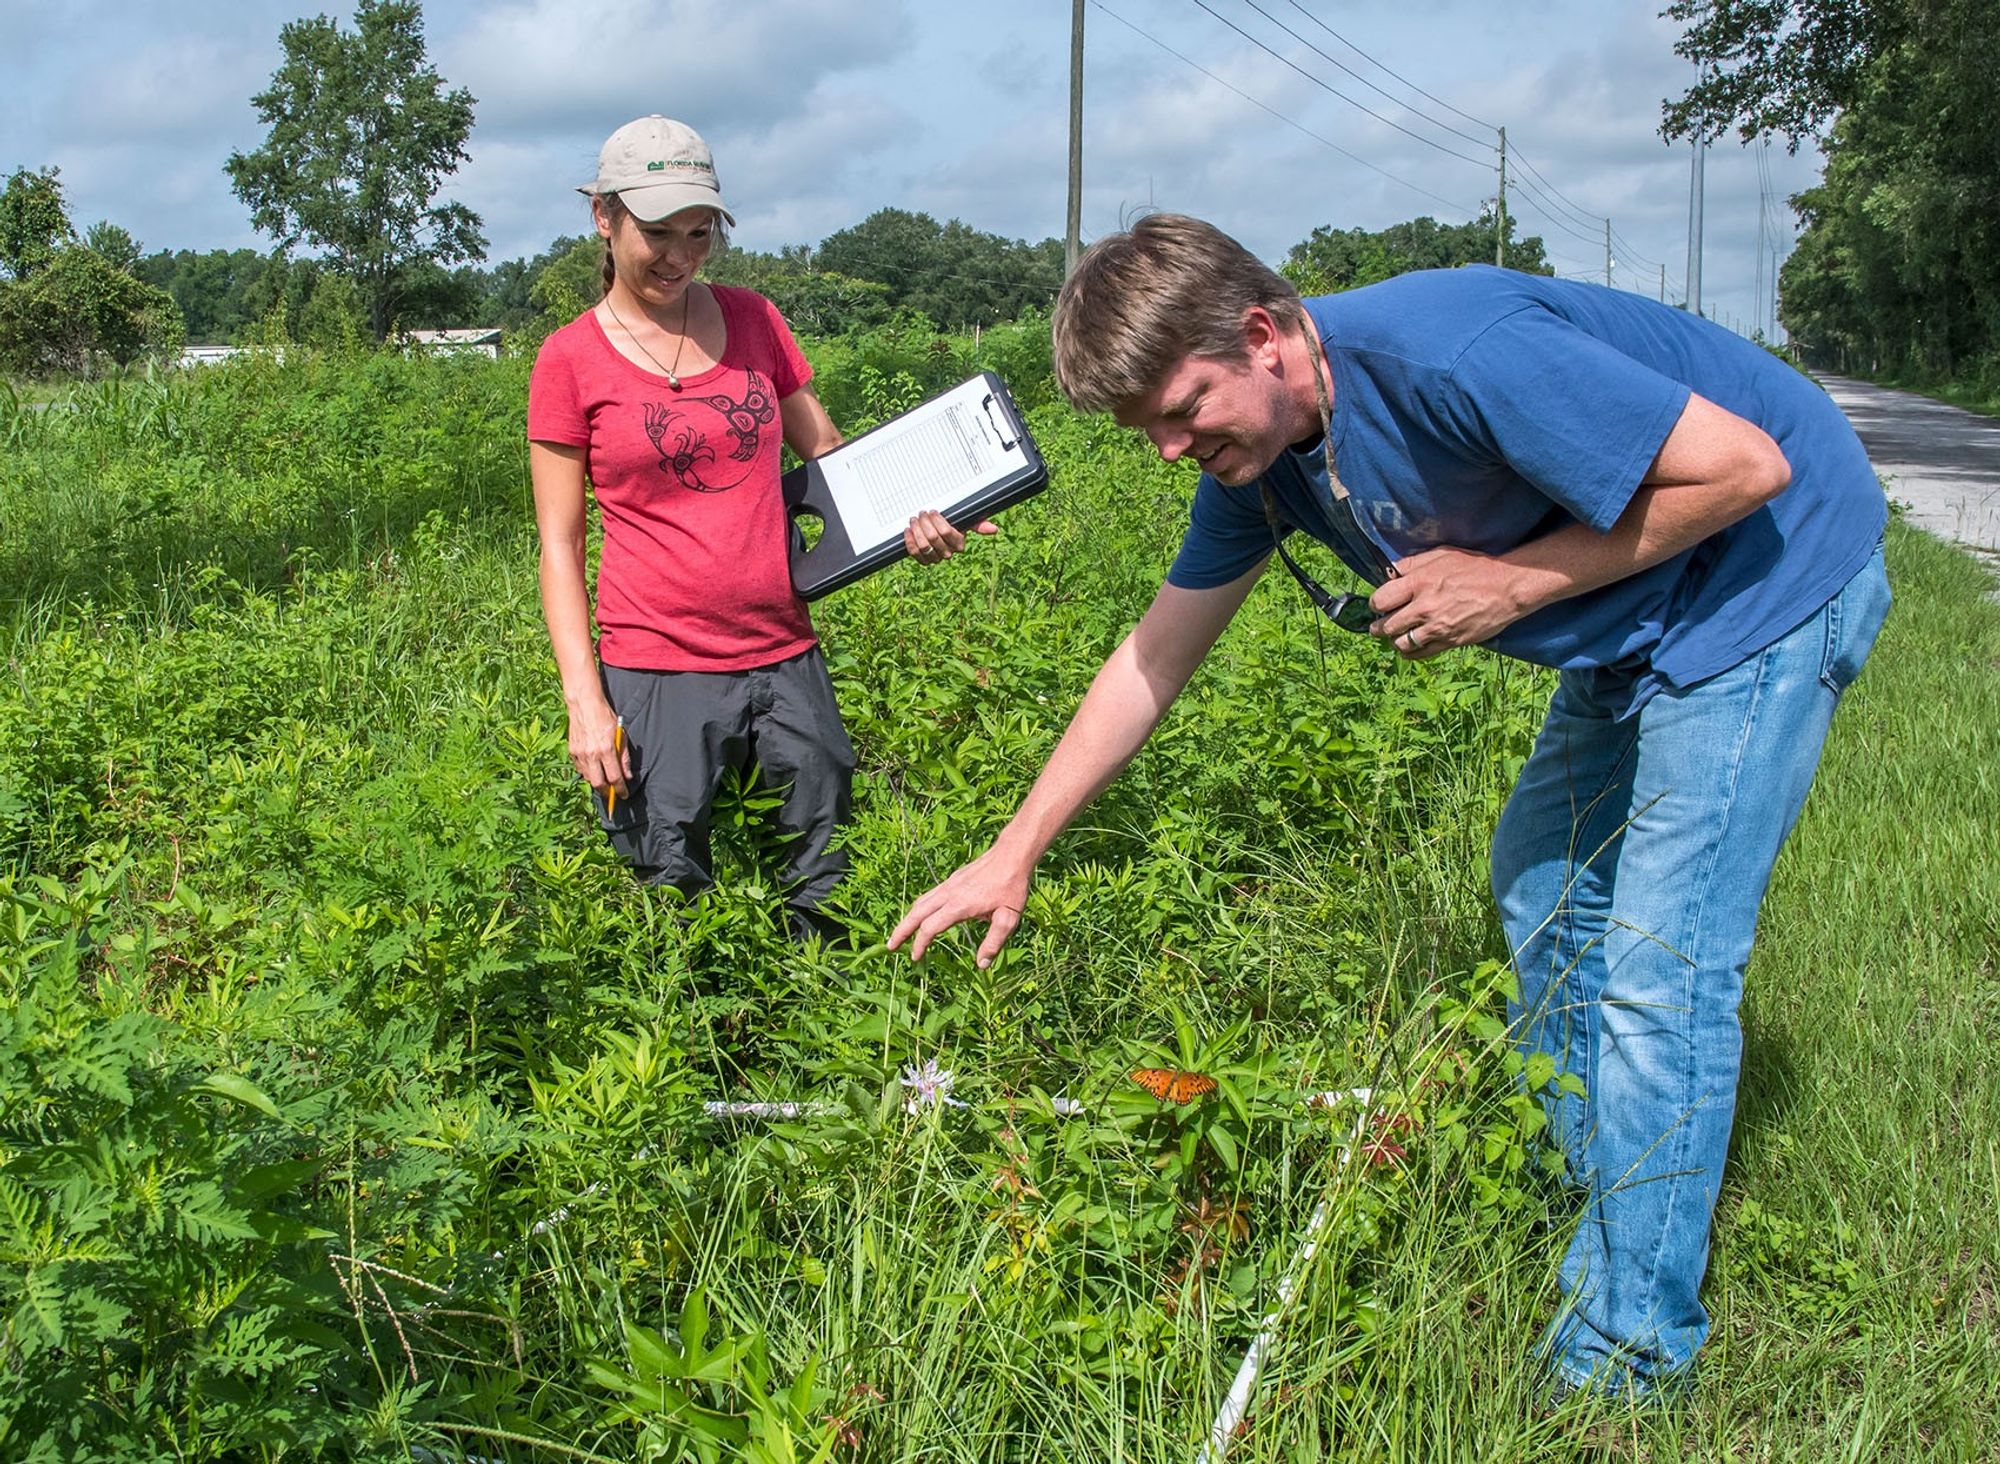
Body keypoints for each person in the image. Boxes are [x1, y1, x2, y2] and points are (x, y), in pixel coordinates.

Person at [889, 213, 1889, 1398]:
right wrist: (1014, 851)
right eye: (1145, 428)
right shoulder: (1264, 463)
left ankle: (1624, 1353)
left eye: (1181, 407)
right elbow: (1151, 658)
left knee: (1657, 965)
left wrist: (1507, 583)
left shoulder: (1452, 354)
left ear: (1261, 336)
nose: (1165, 449)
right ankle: (1595, 1186)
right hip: (1632, 610)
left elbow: (1745, 469)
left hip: (1757, 584)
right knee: (1538, 884)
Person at [528, 115, 985, 944]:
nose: (681, 255)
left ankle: (821, 1037)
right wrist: (585, 703)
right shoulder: (569, 360)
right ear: (604, 217)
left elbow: (836, 461)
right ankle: (705, 1051)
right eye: (658, 233)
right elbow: (559, 545)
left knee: (827, 871)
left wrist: (923, 512)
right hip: (656, 665)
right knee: (669, 887)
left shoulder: (755, 320)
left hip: (785, 649)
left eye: (700, 233)